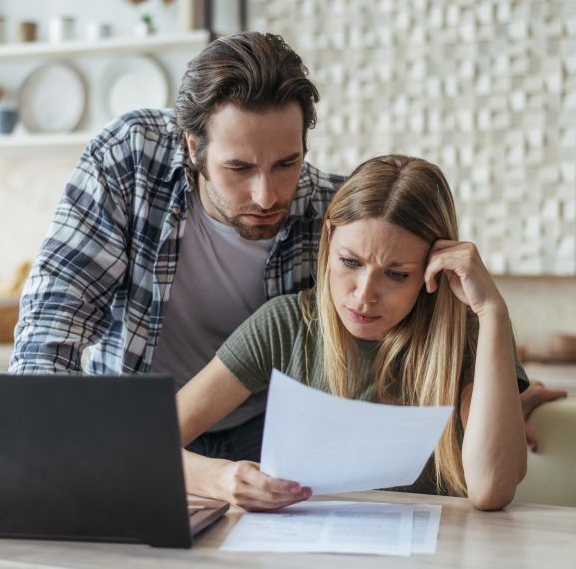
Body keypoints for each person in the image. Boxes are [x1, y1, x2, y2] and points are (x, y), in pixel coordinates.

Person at [9, 31, 560, 462]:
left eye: (286, 163)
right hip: (139, 422)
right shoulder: (130, 158)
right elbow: (56, 315)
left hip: (267, 435)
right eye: (238, 167)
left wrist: (493, 406)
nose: (267, 193)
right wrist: (31, 443)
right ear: (192, 145)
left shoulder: (333, 213)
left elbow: (418, 318)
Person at [178, 155, 530, 512]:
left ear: (433, 270)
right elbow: (145, 442)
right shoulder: (285, 325)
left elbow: (491, 490)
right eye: (350, 262)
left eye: (396, 274)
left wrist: (492, 311)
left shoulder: (468, 335)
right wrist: (219, 478)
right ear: (329, 239)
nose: (363, 296)